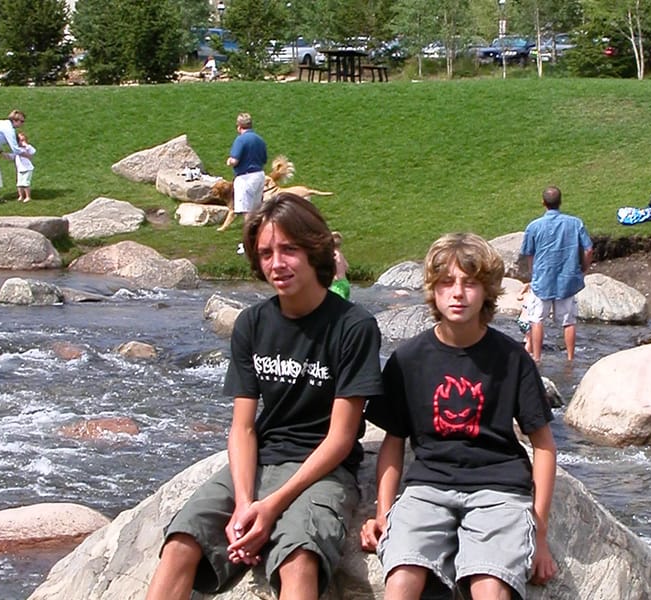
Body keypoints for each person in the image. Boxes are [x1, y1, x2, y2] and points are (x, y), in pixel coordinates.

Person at [146, 192, 384, 600]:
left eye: (289, 249)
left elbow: (341, 438)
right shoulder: (252, 324)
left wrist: (271, 506)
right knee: (182, 539)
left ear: (315, 249)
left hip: (323, 472)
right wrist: (243, 503)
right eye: (266, 252)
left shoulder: (353, 327)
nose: (277, 263)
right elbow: (242, 427)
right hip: (258, 465)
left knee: (298, 556)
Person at [360, 232, 558, 600]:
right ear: (433, 290)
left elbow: (544, 446)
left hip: (499, 491)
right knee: (402, 579)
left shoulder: (513, 359)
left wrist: (540, 532)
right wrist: (384, 512)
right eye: (447, 282)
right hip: (427, 489)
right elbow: (393, 440)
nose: (457, 293)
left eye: (470, 284)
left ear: (487, 292)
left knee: (490, 586)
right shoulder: (408, 360)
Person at [520, 186, 593, 363]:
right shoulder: (575, 223)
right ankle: (570, 359)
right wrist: (583, 268)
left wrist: (533, 273)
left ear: (543, 203)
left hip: (542, 279)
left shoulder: (534, 226)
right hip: (567, 279)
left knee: (537, 319)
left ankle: (536, 358)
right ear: (560, 202)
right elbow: (589, 249)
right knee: (568, 321)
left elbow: (528, 253)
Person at [227, 112, 267, 255]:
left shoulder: (241, 140)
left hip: (245, 178)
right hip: (259, 176)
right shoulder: (259, 140)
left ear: (239, 127)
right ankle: (259, 240)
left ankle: (249, 245)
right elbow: (264, 159)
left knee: (247, 213)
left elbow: (235, 160)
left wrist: (229, 161)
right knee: (256, 211)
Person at [4, 132, 36, 203]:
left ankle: (28, 196)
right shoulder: (17, 149)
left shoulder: (27, 148)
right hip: (20, 169)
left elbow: (33, 151)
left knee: (26, 183)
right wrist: (6, 155)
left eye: (22, 140)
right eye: (19, 140)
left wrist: (26, 145)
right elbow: (13, 156)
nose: (21, 142)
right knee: (19, 184)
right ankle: (21, 196)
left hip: (27, 169)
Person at [328, 231, 350, 300]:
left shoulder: (333, 255)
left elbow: (336, 262)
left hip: (338, 284)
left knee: (336, 305)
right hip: (345, 282)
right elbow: (347, 267)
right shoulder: (340, 254)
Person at [515, 281, 534, 355]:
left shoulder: (525, 296)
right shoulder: (534, 299)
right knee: (530, 340)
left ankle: (526, 345)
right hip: (528, 323)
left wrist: (523, 291)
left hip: (521, 321)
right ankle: (527, 354)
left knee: (527, 338)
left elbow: (518, 297)